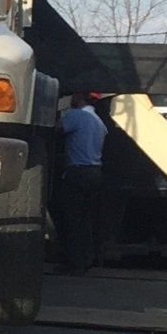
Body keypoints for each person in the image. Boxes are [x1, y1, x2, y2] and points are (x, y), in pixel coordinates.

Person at [59, 90, 108, 273]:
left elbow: (58, 129)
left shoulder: (76, 115)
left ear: (79, 98)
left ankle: (74, 262)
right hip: (95, 173)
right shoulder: (99, 122)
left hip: (77, 172)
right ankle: (87, 260)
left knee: (72, 219)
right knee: (86, 219)